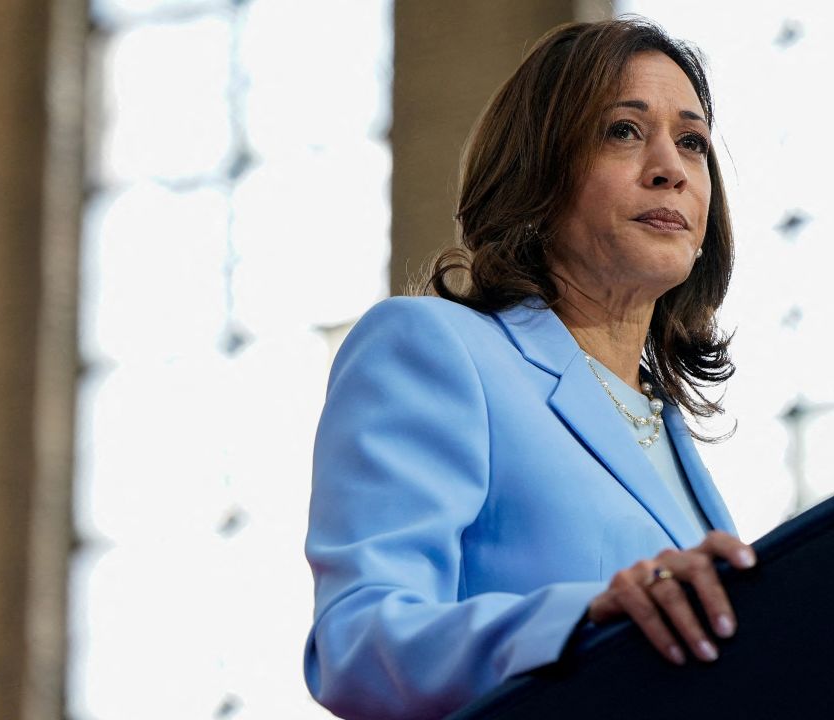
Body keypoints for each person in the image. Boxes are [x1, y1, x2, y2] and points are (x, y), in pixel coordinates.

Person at [304, 17, 756, 719]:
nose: (669, 166)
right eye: (624, 131)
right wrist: (581, 620)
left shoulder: (666, 427)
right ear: (539, 168)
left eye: (692, 141)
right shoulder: (432, 347)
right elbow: (358, 644)